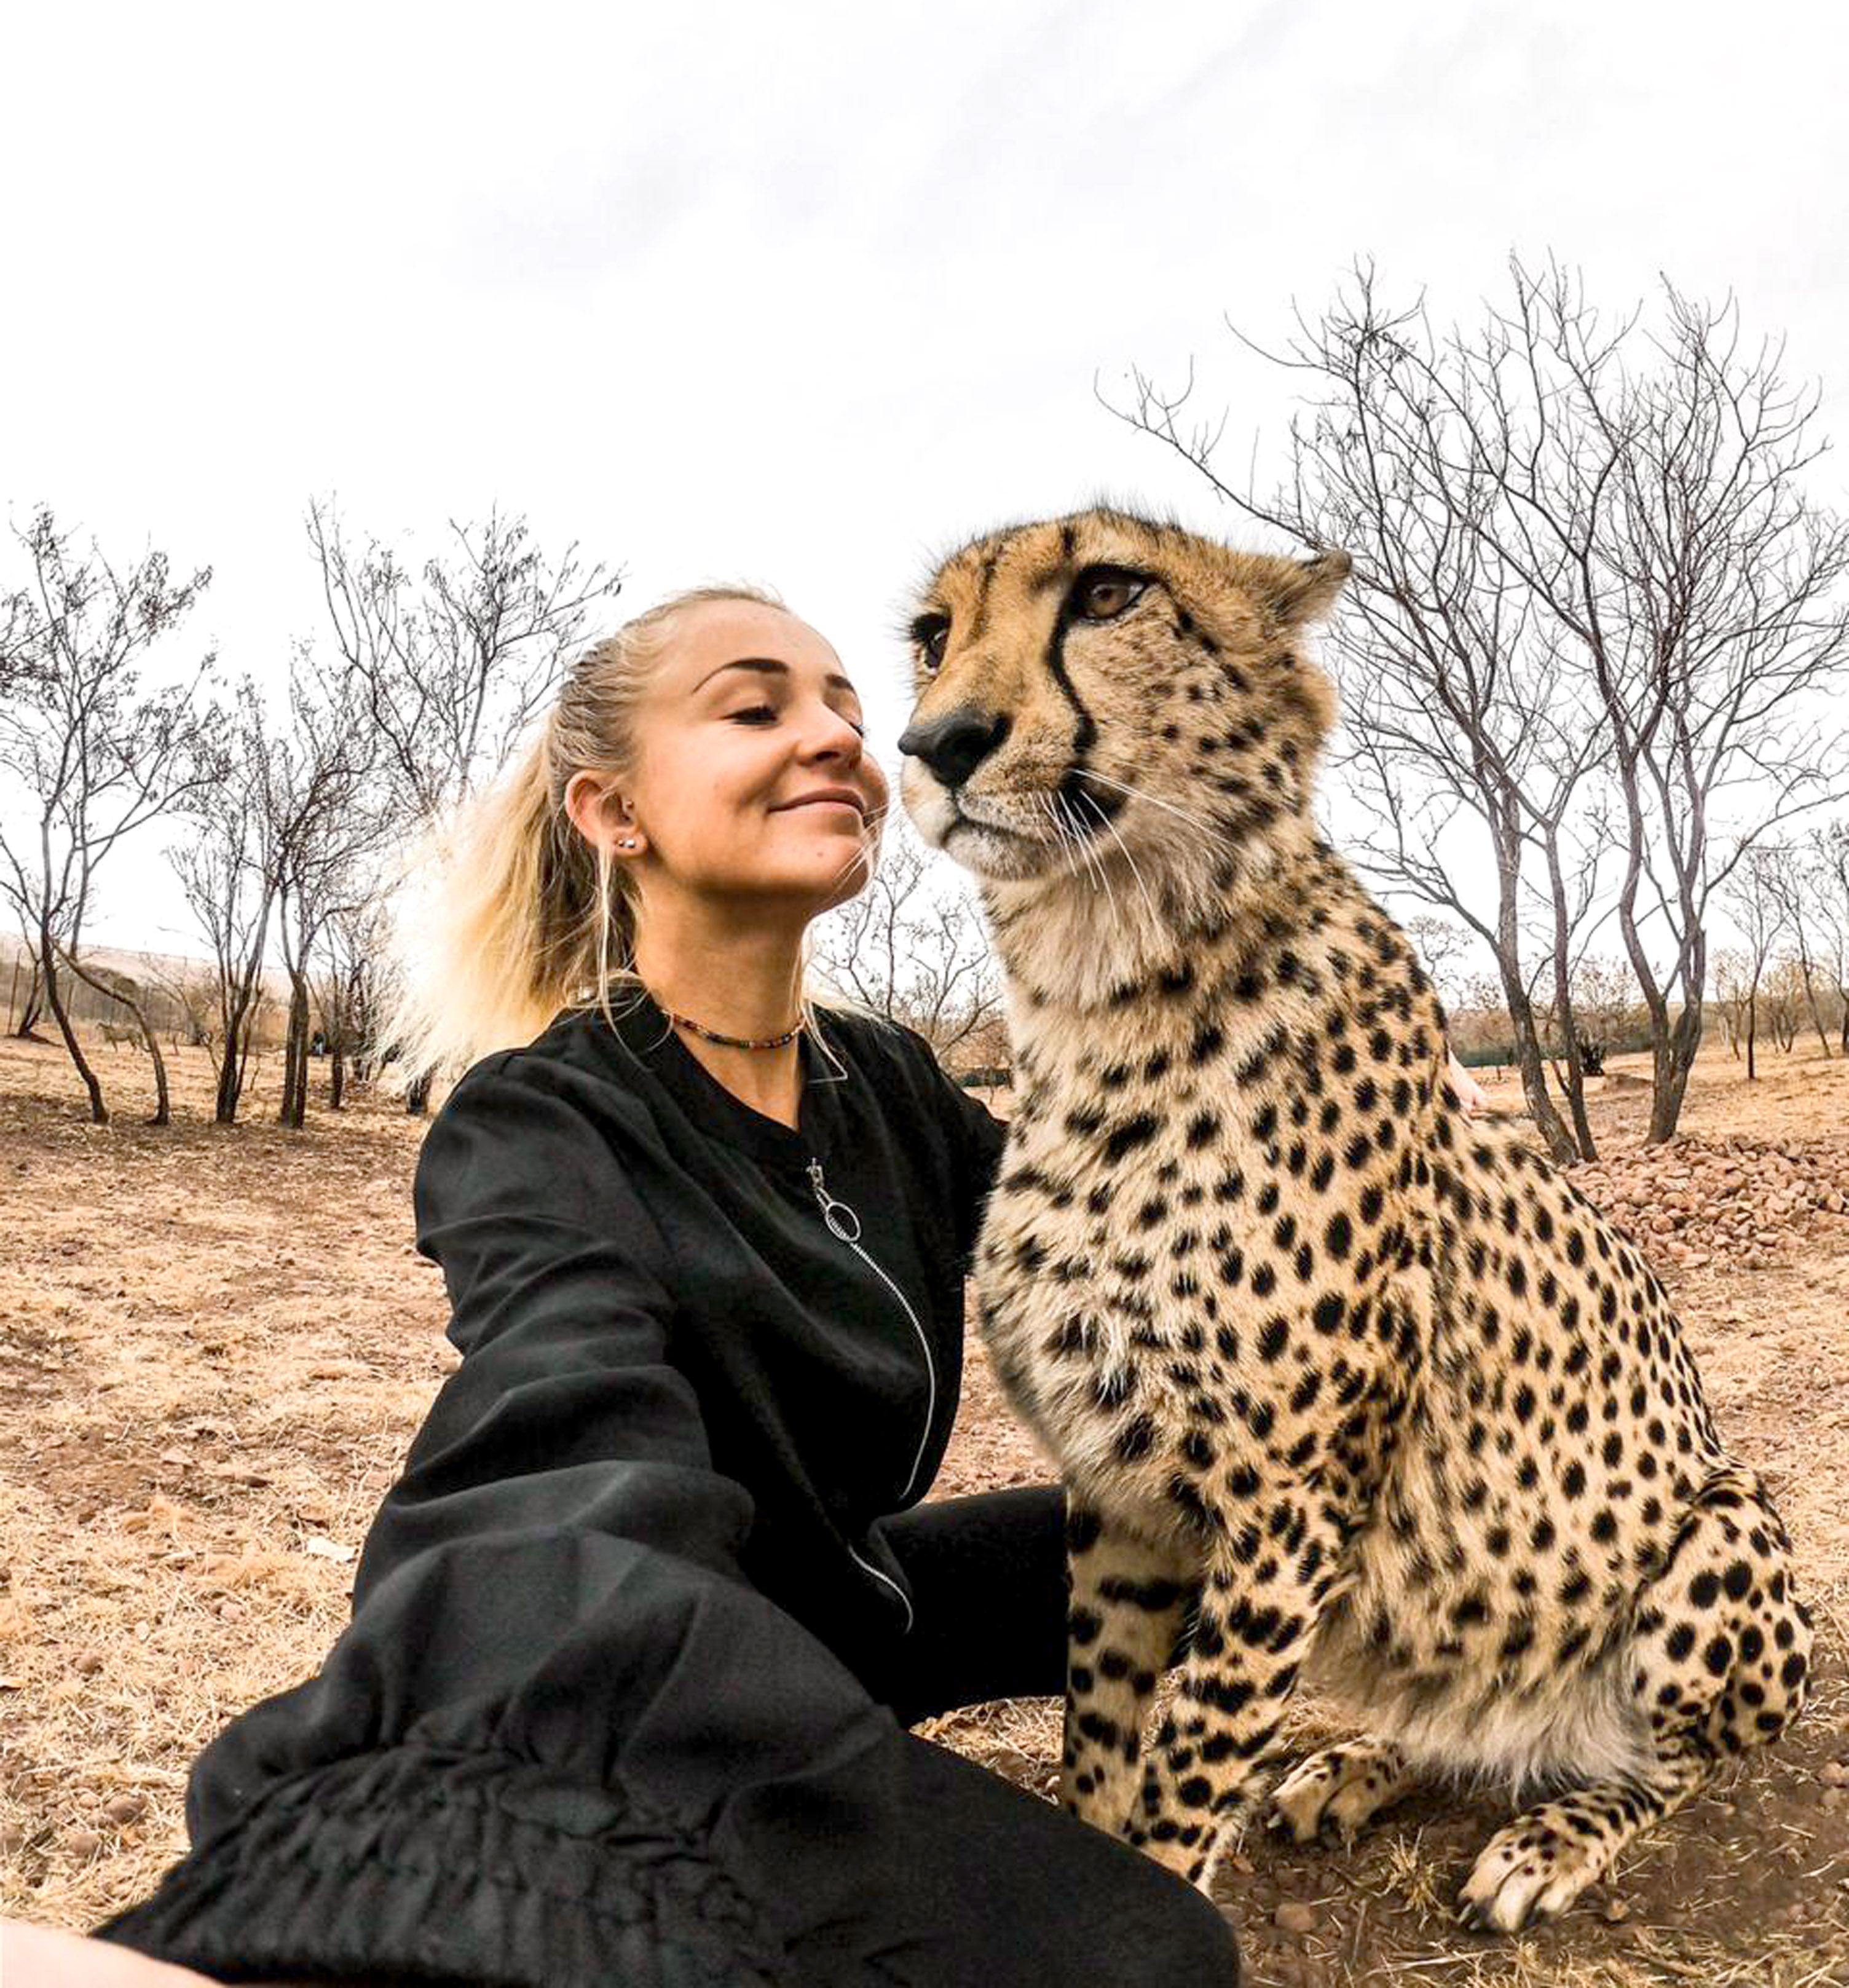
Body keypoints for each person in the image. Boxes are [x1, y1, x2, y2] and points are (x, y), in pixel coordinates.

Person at [25, 584, 1240, 1987]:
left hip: (855, 1612)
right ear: (614, 814)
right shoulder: (541, 1116)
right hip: (650, 1639)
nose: (839, 736)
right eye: (756, 705)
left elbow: (1121, 1224)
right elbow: (564, 1412)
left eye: (847, 705)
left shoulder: (887, 1083)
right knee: (1144, 1958)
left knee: (1228, 1543)